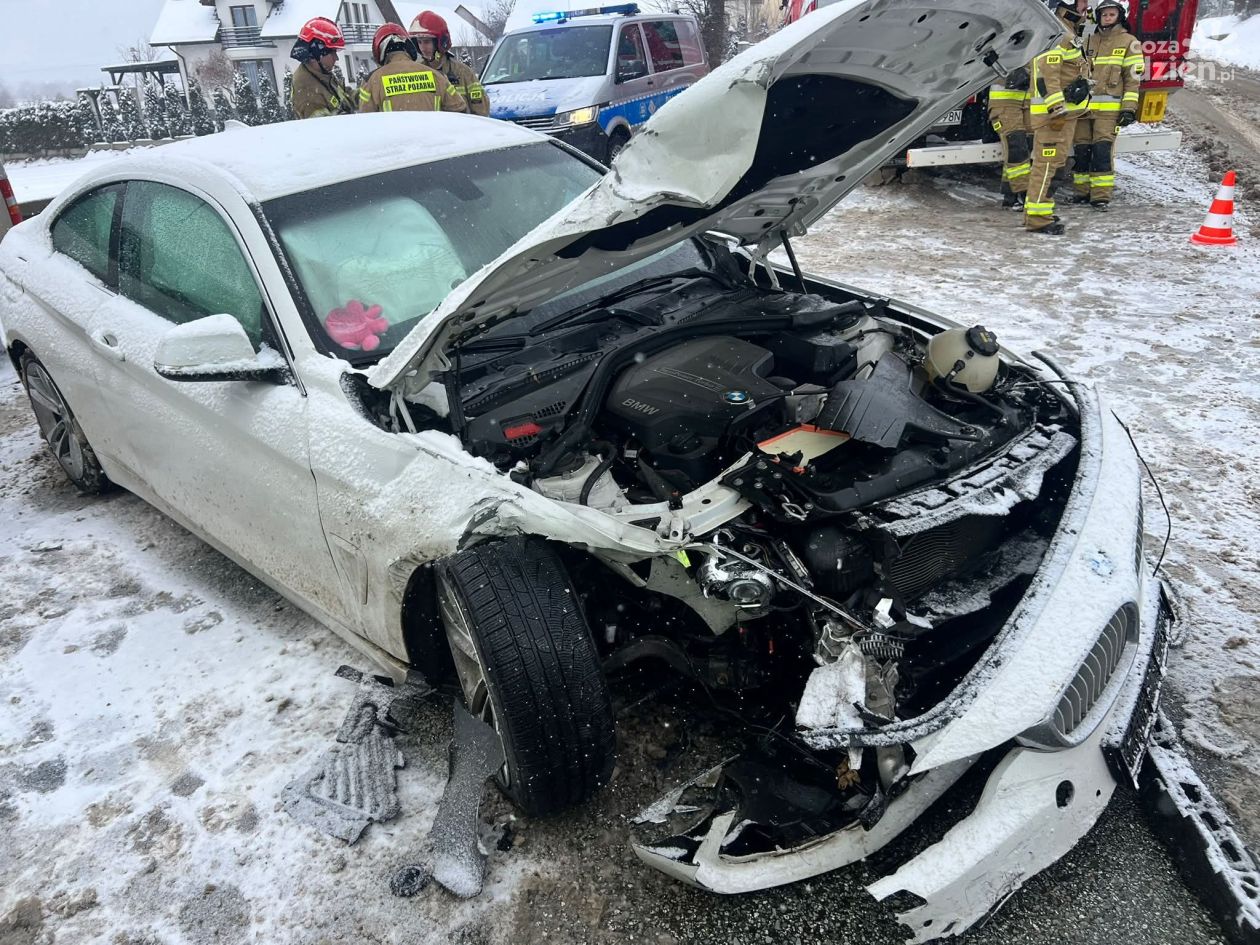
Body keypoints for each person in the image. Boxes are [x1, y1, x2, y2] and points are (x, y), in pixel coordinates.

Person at [1023, 0, 1092, 235]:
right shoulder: (1058, 33)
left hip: (1063, 116)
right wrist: (1056, 109)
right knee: (1047, 166)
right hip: (1054, 118)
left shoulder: (1067, 32)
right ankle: (1038, 218)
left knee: (1054, 165)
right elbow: (1046, 74)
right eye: (1082, 4)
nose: (1086, 9)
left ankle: (1040, 213)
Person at [1072, 0, 1145, 210]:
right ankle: (1081, 193)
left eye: (1112, 14)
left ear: (1120, 17)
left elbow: (1133, 80)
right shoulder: (1088, 41)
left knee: (1102, 152)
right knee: (1082, 152)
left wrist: (1129, 109)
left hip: (1109, 112)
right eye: (1104, 14)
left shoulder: (1130, 42)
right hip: (1084, 110)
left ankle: (1100, 197)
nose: (1107, 18)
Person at [358, 23, 468, 113]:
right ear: (409, 47)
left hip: (396, 140)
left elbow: (366, 122)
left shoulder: (373, 81)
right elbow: (459, 107)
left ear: (380, 51)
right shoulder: (435, 75)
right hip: (435, 139)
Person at [410, 12, 490, 117]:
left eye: (426, 42)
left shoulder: (463, 73)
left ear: (441, 42)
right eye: (419, 42)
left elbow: (481, 111)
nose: (422, 48)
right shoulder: (416, 73)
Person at [290, 17, 356, 119]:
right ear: (317, 52)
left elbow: (344, 96)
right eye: (332, 52)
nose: (336, 58)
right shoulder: (307, 90)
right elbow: (325, 129)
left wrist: (368, 91)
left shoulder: (321, 74)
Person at [988, 65, 1033, 209]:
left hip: (1028, 102)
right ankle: (1023, 192)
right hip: (1004, 102)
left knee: (1026, 149)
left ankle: (1010, 195)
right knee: (1016, 146)